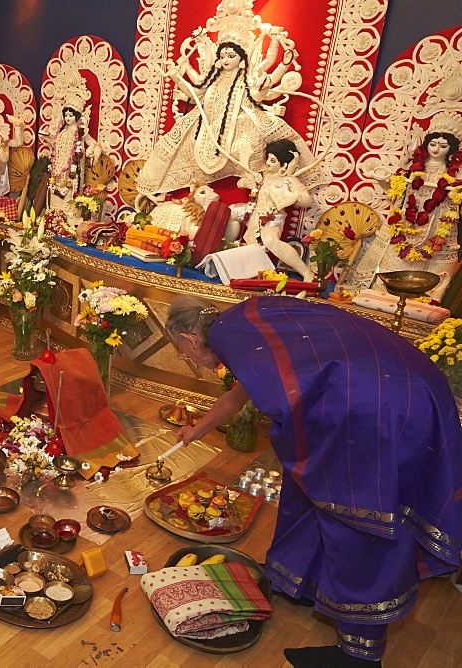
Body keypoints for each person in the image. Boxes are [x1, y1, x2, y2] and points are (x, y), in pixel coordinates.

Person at [167, 294, 462, 666]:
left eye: (182, 353)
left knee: (358, 520)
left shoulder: (231, 338)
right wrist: (198, 428)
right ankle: (299, 581)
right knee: (305, 487)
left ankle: (359, 654)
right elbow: (241, 394)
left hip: (379, 408)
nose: (189, 360)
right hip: (403, 385)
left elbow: (281, 404)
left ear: (191, 340)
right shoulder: (240, 321)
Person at [136, 41, 318, 199]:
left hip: (240, 125)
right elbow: (194, 92)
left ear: (241, 59)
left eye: (231, 55)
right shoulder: (213, 79)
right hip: (205, 125)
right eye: (223, 56)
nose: (226, 60)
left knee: (251, 146)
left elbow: (258, 95)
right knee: (173, 143)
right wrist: (176, 76)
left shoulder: (246, 79)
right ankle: (155, 185)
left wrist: (282, 67)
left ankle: (258, 183)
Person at [345, 110, 462, 301]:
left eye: (442, 146)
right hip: (404, 227)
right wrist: (382, 180)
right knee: (391, 261)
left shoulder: (454, 174)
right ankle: (380, 299)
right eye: (433, 144)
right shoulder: (412, 170)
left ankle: (418, 303)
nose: (436, 149)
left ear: (451, 149)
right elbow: (395, 194)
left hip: (434, 229)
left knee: (426, 266)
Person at [228, 138, 315, 282]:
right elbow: (240, 183)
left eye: (273, 160)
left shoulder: (290, 180)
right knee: (230, 212)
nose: (268, 163)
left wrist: (293, 195)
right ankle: (228, 252)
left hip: (273, 219)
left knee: (269, 240)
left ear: (284, 164)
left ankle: (306, 273)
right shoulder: (263, 175)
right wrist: (249, 180)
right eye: (268, 159)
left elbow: (307, 201)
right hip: (255, 213)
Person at [45, 105, 101, 218]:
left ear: (77, 116)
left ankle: (69, 220)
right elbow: (57, 147)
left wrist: (94, 151)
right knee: (55, 192)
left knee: (69, 194)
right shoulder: (62, 131)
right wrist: (47, 139)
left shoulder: (81, 132)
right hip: (58, 169)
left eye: (71, 115)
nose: (67, 118)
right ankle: (54, 219)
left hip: (72, 170)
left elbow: (94, 143)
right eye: (66, 115)